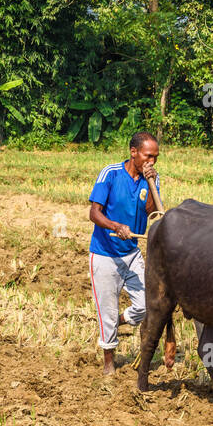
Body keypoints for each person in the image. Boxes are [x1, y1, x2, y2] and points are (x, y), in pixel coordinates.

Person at [88, 131, 161, 375]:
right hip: (105, 254)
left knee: (145, 306)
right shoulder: (110, 173)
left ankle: (115, 322)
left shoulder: (151, 180)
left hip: (132, 253)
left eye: (156, 157)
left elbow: (152, 212)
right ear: (133, 152)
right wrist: (115, 226)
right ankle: (109, 361)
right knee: (106, 309)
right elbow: (94, 213)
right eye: (148, 156)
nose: (152, 162)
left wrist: (152, 184)